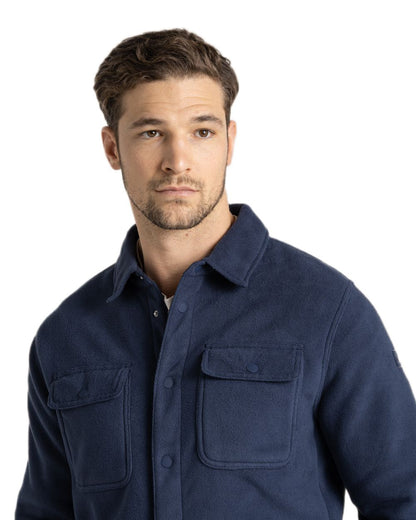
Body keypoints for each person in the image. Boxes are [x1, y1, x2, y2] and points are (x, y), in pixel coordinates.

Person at [15, 28, 416, 520]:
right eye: (151, 132)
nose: (177, 161)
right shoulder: (65, 336)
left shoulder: (327, 311)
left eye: (202, 131)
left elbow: (404, 498)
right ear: (112, 148)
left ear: (229, 142)